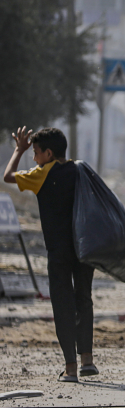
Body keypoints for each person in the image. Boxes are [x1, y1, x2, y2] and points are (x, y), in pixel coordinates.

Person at [4, 127, 96, 383]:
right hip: (84, 248)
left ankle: (71, 368)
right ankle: (87, 359)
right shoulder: (81, 170)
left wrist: (18, 150)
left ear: (48, 153)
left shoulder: (42, 174)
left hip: (58, 251)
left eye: (35, 153)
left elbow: (8, 176)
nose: (33, 158)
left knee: (63, 305)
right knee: (84, 299)